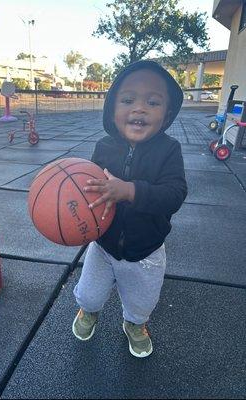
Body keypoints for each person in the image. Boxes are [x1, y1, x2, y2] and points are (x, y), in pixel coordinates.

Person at [72, 60, 187, 358]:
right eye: (128, 100)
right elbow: (87, 187)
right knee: (90, 292)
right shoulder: (104, 146)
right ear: (112, 110)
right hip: (104, 243)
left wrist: (130, 191)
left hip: (146, 249)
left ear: (167, 113)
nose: (139, 109)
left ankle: (135, 324)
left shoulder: (169, 150)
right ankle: (89, 311)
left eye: (152, 101)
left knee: (141, 300)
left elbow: (175, 194)